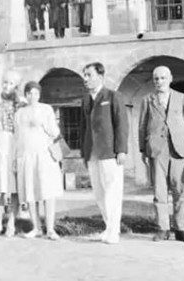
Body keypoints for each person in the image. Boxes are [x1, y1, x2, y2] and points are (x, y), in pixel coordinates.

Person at [138, 66, 184, 242]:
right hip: (157, 150)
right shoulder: (147, 100)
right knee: (159, 191)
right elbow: (142, 126)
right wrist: (142, 149)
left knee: (180, 189)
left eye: (163, 78)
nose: (159, 82)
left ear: (170, 78)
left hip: (179, 149)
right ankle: (162, 229)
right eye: (156, 78)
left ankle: (181, 229)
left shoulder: (182, 98)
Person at [80, 62, 128, 244]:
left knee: (112, 192)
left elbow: (121, 125)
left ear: (100, 76)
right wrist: (84, 152)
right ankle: (108, 227)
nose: (85, 79)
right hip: (92, 153)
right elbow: (83, 127)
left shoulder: (113, 96)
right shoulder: (85, 100)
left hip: (110, 152)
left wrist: (121, 150)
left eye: (89, 75)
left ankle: (114, 231)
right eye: (84, 75)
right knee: (99, 194)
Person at [15, 81, 64, 240]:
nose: (32, 96)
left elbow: (55, 132)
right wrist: (17, 158)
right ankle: (36, 227)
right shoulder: (20, 113)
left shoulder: (46, 109)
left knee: (47, 191)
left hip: (44, 156)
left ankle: (50, 229)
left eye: (36, 93)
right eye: (29, 93)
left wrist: (43, 123)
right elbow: (17, 138)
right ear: (26, 95)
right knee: (31, 192)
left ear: (39, 95)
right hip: (27, 157)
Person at [0, 70, 24, 238]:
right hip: (0, 148)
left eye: (11, 83)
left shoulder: (22, 103)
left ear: (17, 86)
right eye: (5, 82)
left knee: (14, 190)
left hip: (15, 150)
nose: (7, 86)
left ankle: (12, 224)